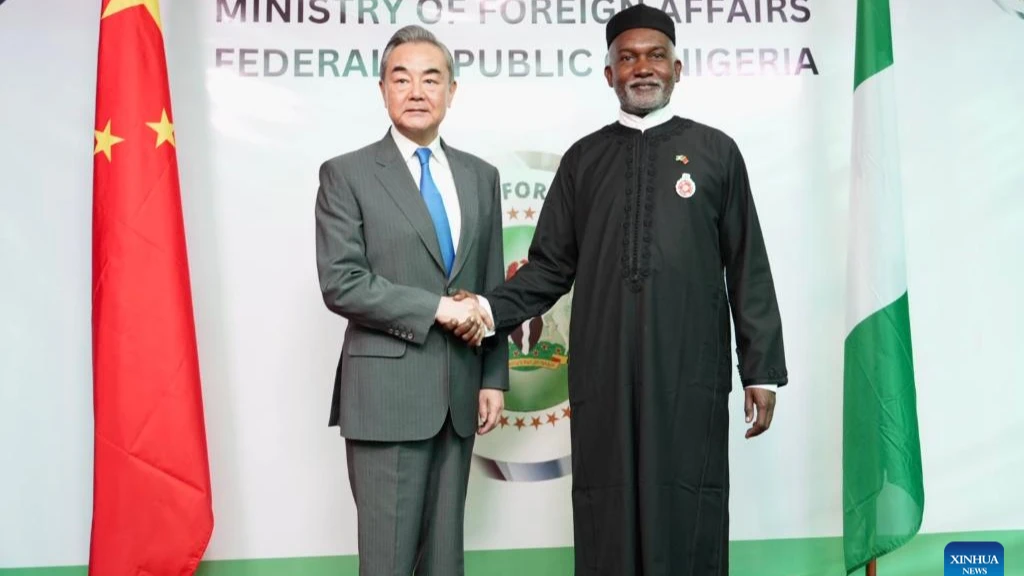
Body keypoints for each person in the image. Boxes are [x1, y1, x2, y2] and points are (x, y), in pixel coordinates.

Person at [446, 5, 787, 575]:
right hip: (603, 375)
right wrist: (486, 307)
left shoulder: (715, 153)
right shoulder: (584, 160)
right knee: (608, 508)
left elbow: (746, 263)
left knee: (689, 507)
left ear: (678, 69)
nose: (642, 67)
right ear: (609, 74)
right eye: (627, 57)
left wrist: (759, 369)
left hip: (689, 374)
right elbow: (549, 267)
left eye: (656, 55)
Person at [314, 24, 506, 576]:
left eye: (431, 78)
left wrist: (493, 376)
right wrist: (439, 309)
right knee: (390, 561)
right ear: (382, 89)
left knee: (445, 562)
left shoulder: (480, 176)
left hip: (460, 397)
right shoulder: (347, 174)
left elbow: (490, 286)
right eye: (402, 78)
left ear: (451, 90)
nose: (417, 91)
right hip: (387, 399)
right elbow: (341, 281)